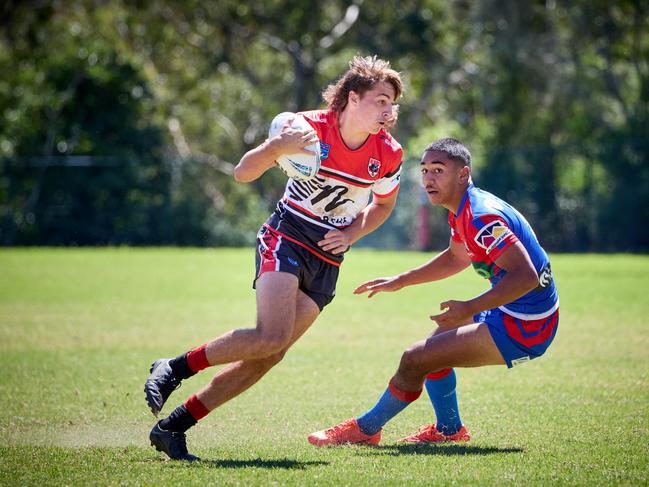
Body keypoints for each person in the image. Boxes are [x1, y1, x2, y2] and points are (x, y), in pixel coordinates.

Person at [145, 55, 405, 460]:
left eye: (392, 104)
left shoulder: (388, 153)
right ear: (353, 98)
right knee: (270, 335)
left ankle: (173, 427)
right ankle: (174, 368)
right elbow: (242, 173)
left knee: (271, 354)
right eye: (381, 101)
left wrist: (354, 231)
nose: (389, 111)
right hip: (287, 233)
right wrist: (274, 148)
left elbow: (384, 206)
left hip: (327, 257)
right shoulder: (305, 128)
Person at [308, 137, 559, 446]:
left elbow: (526, 277)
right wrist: (401, 279)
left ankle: (366, 429)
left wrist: (468, 307)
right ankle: (450, 431)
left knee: (415, 358)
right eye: (425, 170)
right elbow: (456, 257)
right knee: (434, 346)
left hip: (527, 325)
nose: (428, 178)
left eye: (438, 170)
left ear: (463, 174)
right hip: (517, 313)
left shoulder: (481, 217)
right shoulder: (465, 208)